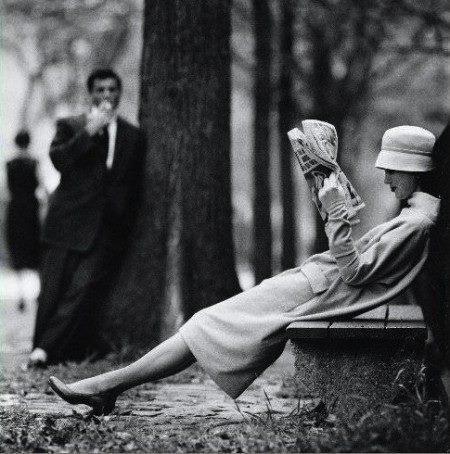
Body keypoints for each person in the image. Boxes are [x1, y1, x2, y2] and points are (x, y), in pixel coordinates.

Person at [49, 125, 442, 415]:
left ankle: (106, 385)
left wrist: (337, 214)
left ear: (416, 170)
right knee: (203, 324)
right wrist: (327, 198)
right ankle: (109, 385)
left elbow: (355, 272)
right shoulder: (415, 216)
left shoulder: (415, 223)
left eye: (394, 170)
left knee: (203, 325)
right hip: (313, 284)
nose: (387, 178)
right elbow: (357, 266)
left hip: (317, 292)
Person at [29, 69, 146, 367]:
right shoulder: (70, 125)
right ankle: (40, 348)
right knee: (52, 291)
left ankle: (45, 351)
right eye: (100, 90)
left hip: (104, 229)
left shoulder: (133, 135)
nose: (106, 95)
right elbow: (59, 161)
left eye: (111, 89)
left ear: (119, 93)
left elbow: (132, 183)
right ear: (90, 94)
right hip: (65, 224)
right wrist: (89, 132)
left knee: (80, 292)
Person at [5, 130, 41, 312]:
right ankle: (38, 291)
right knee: (34, 249)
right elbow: (38, 185)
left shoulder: (10, 164)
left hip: (16, 210)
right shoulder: (33, 163)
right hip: (30, 210)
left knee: (18, 251)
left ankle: (21, 294)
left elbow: (8, 189)